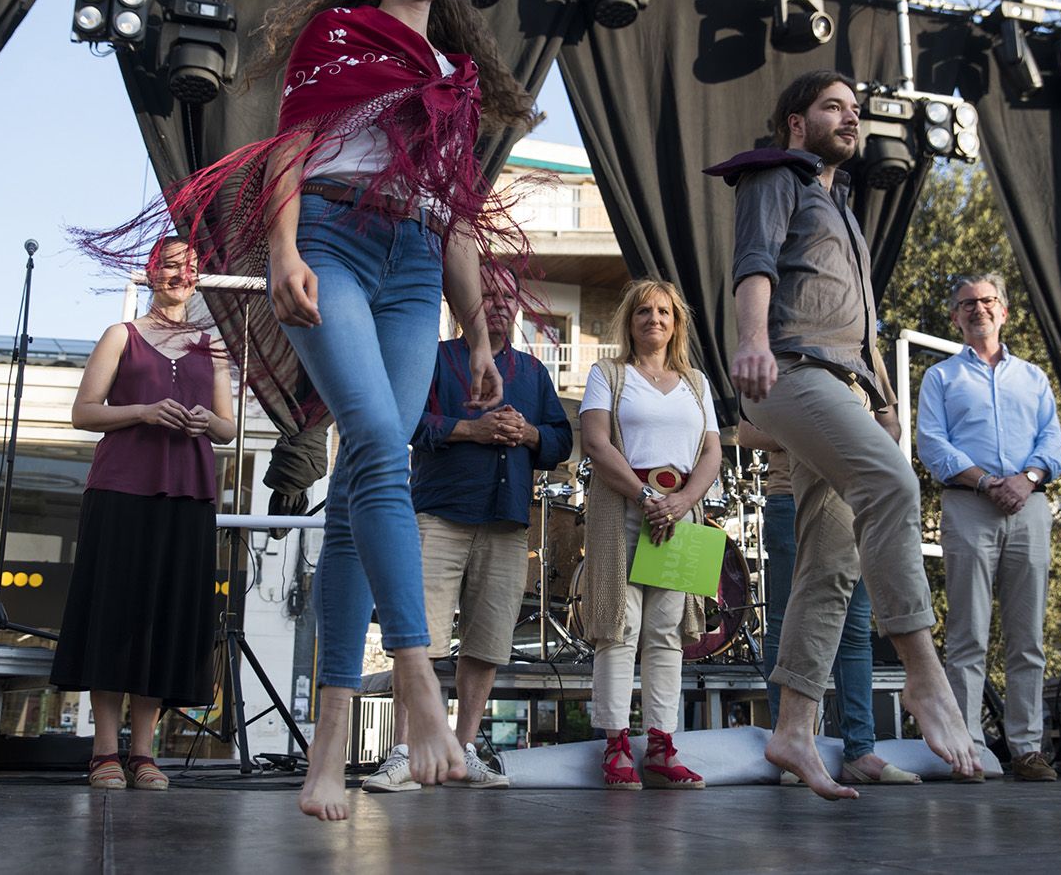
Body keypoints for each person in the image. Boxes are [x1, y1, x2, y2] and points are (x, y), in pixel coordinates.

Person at [126, 0, 539, 820]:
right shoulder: (339, 34)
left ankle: (324, 757)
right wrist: (281, 251)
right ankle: (421, 689)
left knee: (359, 488)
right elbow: (291, 148)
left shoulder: (458, 76)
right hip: (334, 242)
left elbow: (460, 220)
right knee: (382, 448)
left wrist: (474, 334)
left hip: (413, 267)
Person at [710, 69, 981, 800]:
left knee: (830, 566)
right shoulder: (779, 176)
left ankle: (794, 728)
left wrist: (885, 398)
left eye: (855, 109)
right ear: (796, 122)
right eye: (833, 107)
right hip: (791, 371)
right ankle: (925, 677)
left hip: (844, 382)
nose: (850, 118)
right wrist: (753, 340)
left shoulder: (843, 206)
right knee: (890, 482)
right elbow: (754, 264)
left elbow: (856, 323)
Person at [364, 265, 572, 792]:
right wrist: (470, 430)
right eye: (488, 296)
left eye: (508, 297)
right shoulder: (434, 359)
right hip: (438, 515)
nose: (500, 304)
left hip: (506, 523)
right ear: (463, 306)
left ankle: (463, 750)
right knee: (420, 640)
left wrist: (527, 434)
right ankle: (407, 753)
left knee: (487, 643)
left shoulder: (533, 373)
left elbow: (561, 440)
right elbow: (406, 421)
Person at [52, 237, 236, 791]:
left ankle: (143, 752)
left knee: (164, 618)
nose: (179, 274)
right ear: (152, 273)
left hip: (189, 492)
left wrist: (206, 419)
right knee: (116, 615)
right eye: (169, 265)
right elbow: (83, 412)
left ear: (198, 276)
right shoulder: (121, 335)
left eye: (188, 267)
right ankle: (104, 750)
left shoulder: (216, 347)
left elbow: (228, 429)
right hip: (122, 488)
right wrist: (144, 412)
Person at [916, 273, 1061, 783]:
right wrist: (988, 483)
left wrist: (1024, 481)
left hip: (1030, 507)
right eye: (966, 304)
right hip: (968, 505)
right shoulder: (940, 378)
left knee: (1028, 637)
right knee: (967, 635)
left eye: (986, 301)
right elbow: (933, 445)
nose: (977, 309)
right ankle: (970, 749)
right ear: (955, 317)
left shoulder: (1034, 378)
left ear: (1003, 311)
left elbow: (1051, 443)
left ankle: (1026, 748)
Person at [579, 280, 721, 789]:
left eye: (664, 311)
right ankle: (615, 745)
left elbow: (712, 453)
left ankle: (661, 746)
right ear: (630, 320)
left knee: (667, 634)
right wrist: (645, 498)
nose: (654, 319)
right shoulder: (607, 374)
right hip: (623, 510)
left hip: (680, 516)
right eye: (643, 311)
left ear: (675, 323)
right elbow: (595, 442)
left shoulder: (697, 382)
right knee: (617, 627)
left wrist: (683, 502)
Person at [736, 421, 921, 786]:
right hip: (791, 497)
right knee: (787, 618)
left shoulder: (865, 360)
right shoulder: (775, 360)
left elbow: (890, 425)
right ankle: (789, 743)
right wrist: (821, 429)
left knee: (855, 625)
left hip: (855, 496)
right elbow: (748, 432)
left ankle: (861, 751)